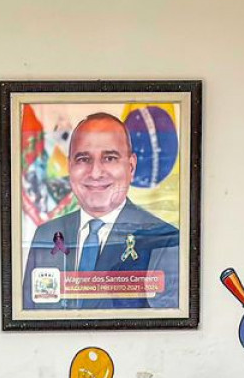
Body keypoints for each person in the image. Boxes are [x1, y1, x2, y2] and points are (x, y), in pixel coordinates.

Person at [23, 112, 180, 311]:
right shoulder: (46, 235)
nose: (95, 173)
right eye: (83, 159)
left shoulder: (165, 239)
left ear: (131, 167)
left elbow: (168, 335)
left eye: (110, 158)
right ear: (70, 166)